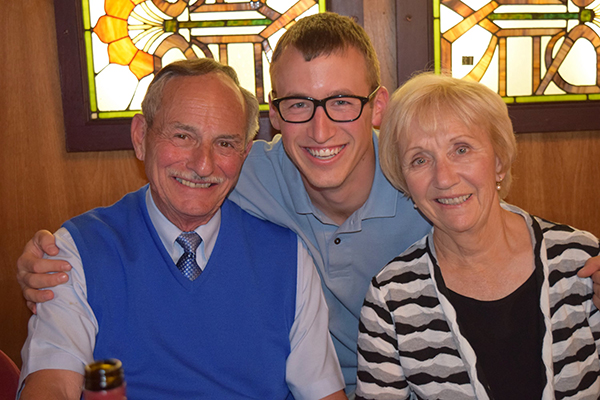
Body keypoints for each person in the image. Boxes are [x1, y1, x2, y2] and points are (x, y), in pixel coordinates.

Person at [15, 12, 600, 397]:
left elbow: (497, 229)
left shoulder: (424, 181)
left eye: (342, 101)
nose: (320, 130)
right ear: (273, 119)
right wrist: (62, 251)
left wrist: (583, 269)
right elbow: (174, 189)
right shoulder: (245, 171)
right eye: (298, 104)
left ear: (376, 107)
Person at [18, 58, 346, 400]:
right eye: (182, 135)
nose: (203, 164)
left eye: (225, 143)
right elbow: (53, 381)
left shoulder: (287, 257)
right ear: (141, 137)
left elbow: (323, 392)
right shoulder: (76, 251)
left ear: (245, 153)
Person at [355, 73, 600, 399]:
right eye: (420, 159)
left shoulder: (582, 263)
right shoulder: (391, 298)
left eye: (461, 149)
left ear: (499, 161)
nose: (444, 178)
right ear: (405, 183)